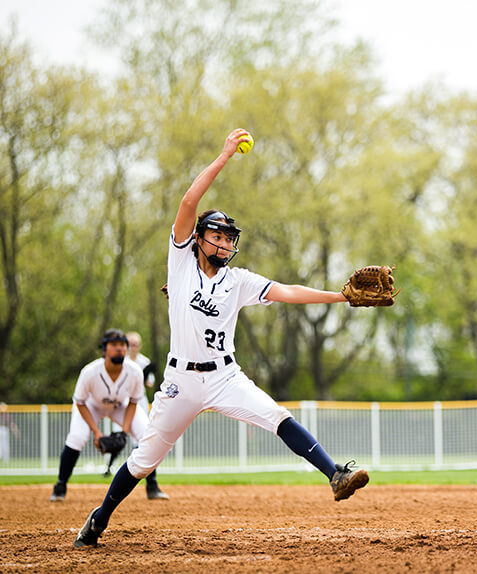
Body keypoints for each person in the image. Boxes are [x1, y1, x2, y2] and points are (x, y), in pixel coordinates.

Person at [74, 129, 369, 548]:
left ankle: (335, 473)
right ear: (198, 238)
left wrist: (340, 297)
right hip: (179, 382)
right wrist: (226, 154)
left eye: (229, 238)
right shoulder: (180, 263)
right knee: (143, 461)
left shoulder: (239, 281)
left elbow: (287, 291)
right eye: (217, 235)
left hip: (225, 376)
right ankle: (99, 519)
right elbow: (188, 203)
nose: (224, 242)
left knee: (276, 416)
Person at [51, 329, 169, 502]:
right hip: (92, 406)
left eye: (122, 345)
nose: (119, 349)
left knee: (146, 435)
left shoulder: (134, 371)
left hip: (120, 405)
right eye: (114, 345)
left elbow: (133, 402)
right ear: (104, 349)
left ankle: (152, 486)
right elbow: (80, 402)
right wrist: (96, 432)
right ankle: (60, 486)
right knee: (77, 437)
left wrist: (124, 431)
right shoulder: (90, 371)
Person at [126, 331, 157, 414]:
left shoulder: (145, 362)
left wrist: (145, 375)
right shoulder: (121, 361)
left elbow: (150, 383)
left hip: (140, 399)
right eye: (131, 345)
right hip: (124, 399)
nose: (133, 348)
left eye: (136, 345)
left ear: (140, 346)